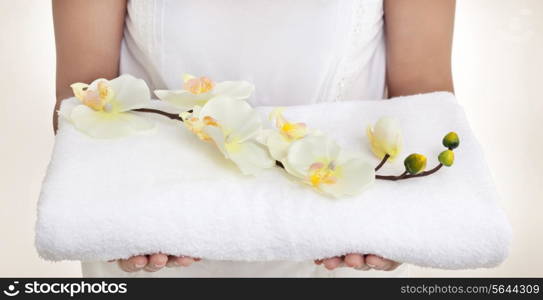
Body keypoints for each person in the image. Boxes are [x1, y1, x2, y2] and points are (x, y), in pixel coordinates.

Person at [52, 0, 455, 277]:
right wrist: (113, 214)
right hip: (153, 228)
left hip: (343, 233)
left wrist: (402, 219)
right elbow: (82, 99)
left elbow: (423, 89)